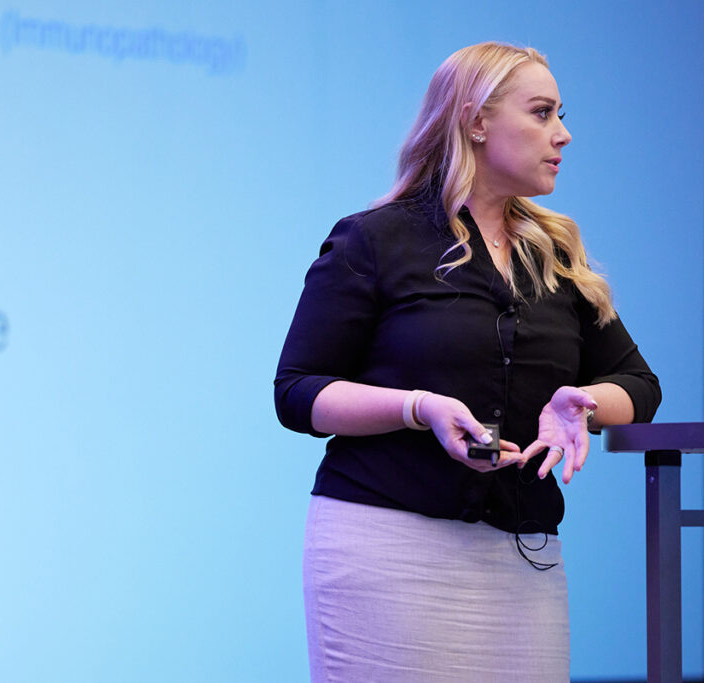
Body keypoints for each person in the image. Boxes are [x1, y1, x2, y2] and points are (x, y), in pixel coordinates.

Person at [274, 41, 661, 682]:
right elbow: (298, 393)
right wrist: (416, 408)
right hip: (387, 550)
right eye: (541, 112)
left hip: (524, 557)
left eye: (560, 115)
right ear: (477, 121)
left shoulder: (556, 254)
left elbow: (640, 386)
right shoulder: (376, 239)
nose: (563, 134)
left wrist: (584, 405)